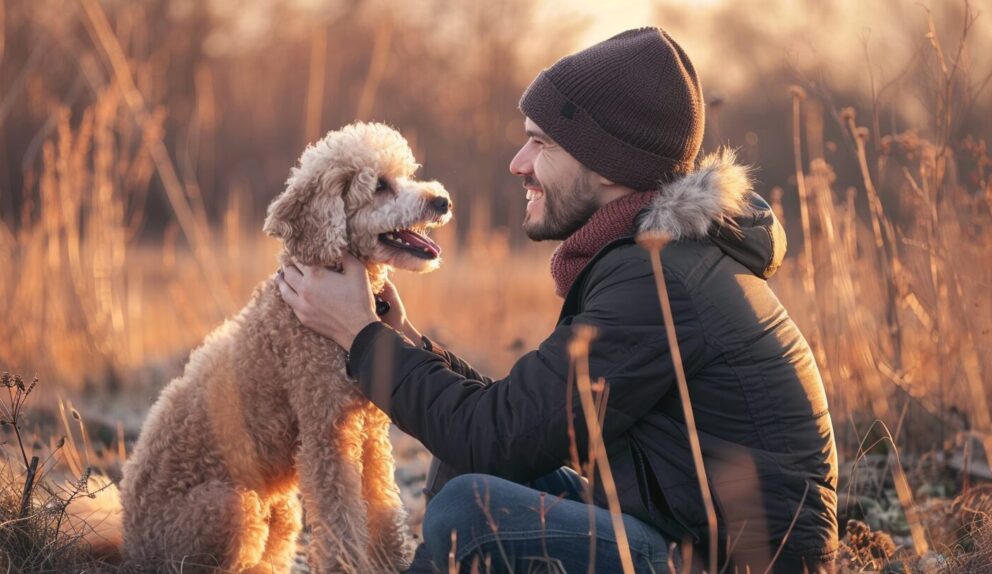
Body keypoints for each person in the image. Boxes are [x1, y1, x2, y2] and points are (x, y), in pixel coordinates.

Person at [277, 27, 838, 574]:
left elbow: (497, 436)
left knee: (467, 512)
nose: (519, 163)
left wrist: (360, 337)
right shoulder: (654, 260)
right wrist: (408, 342)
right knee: (462, 456)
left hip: (722, 562)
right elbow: (521, 423)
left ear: (607, 164)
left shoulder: (661, 279)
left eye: (541, 143)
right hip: (670, 525)